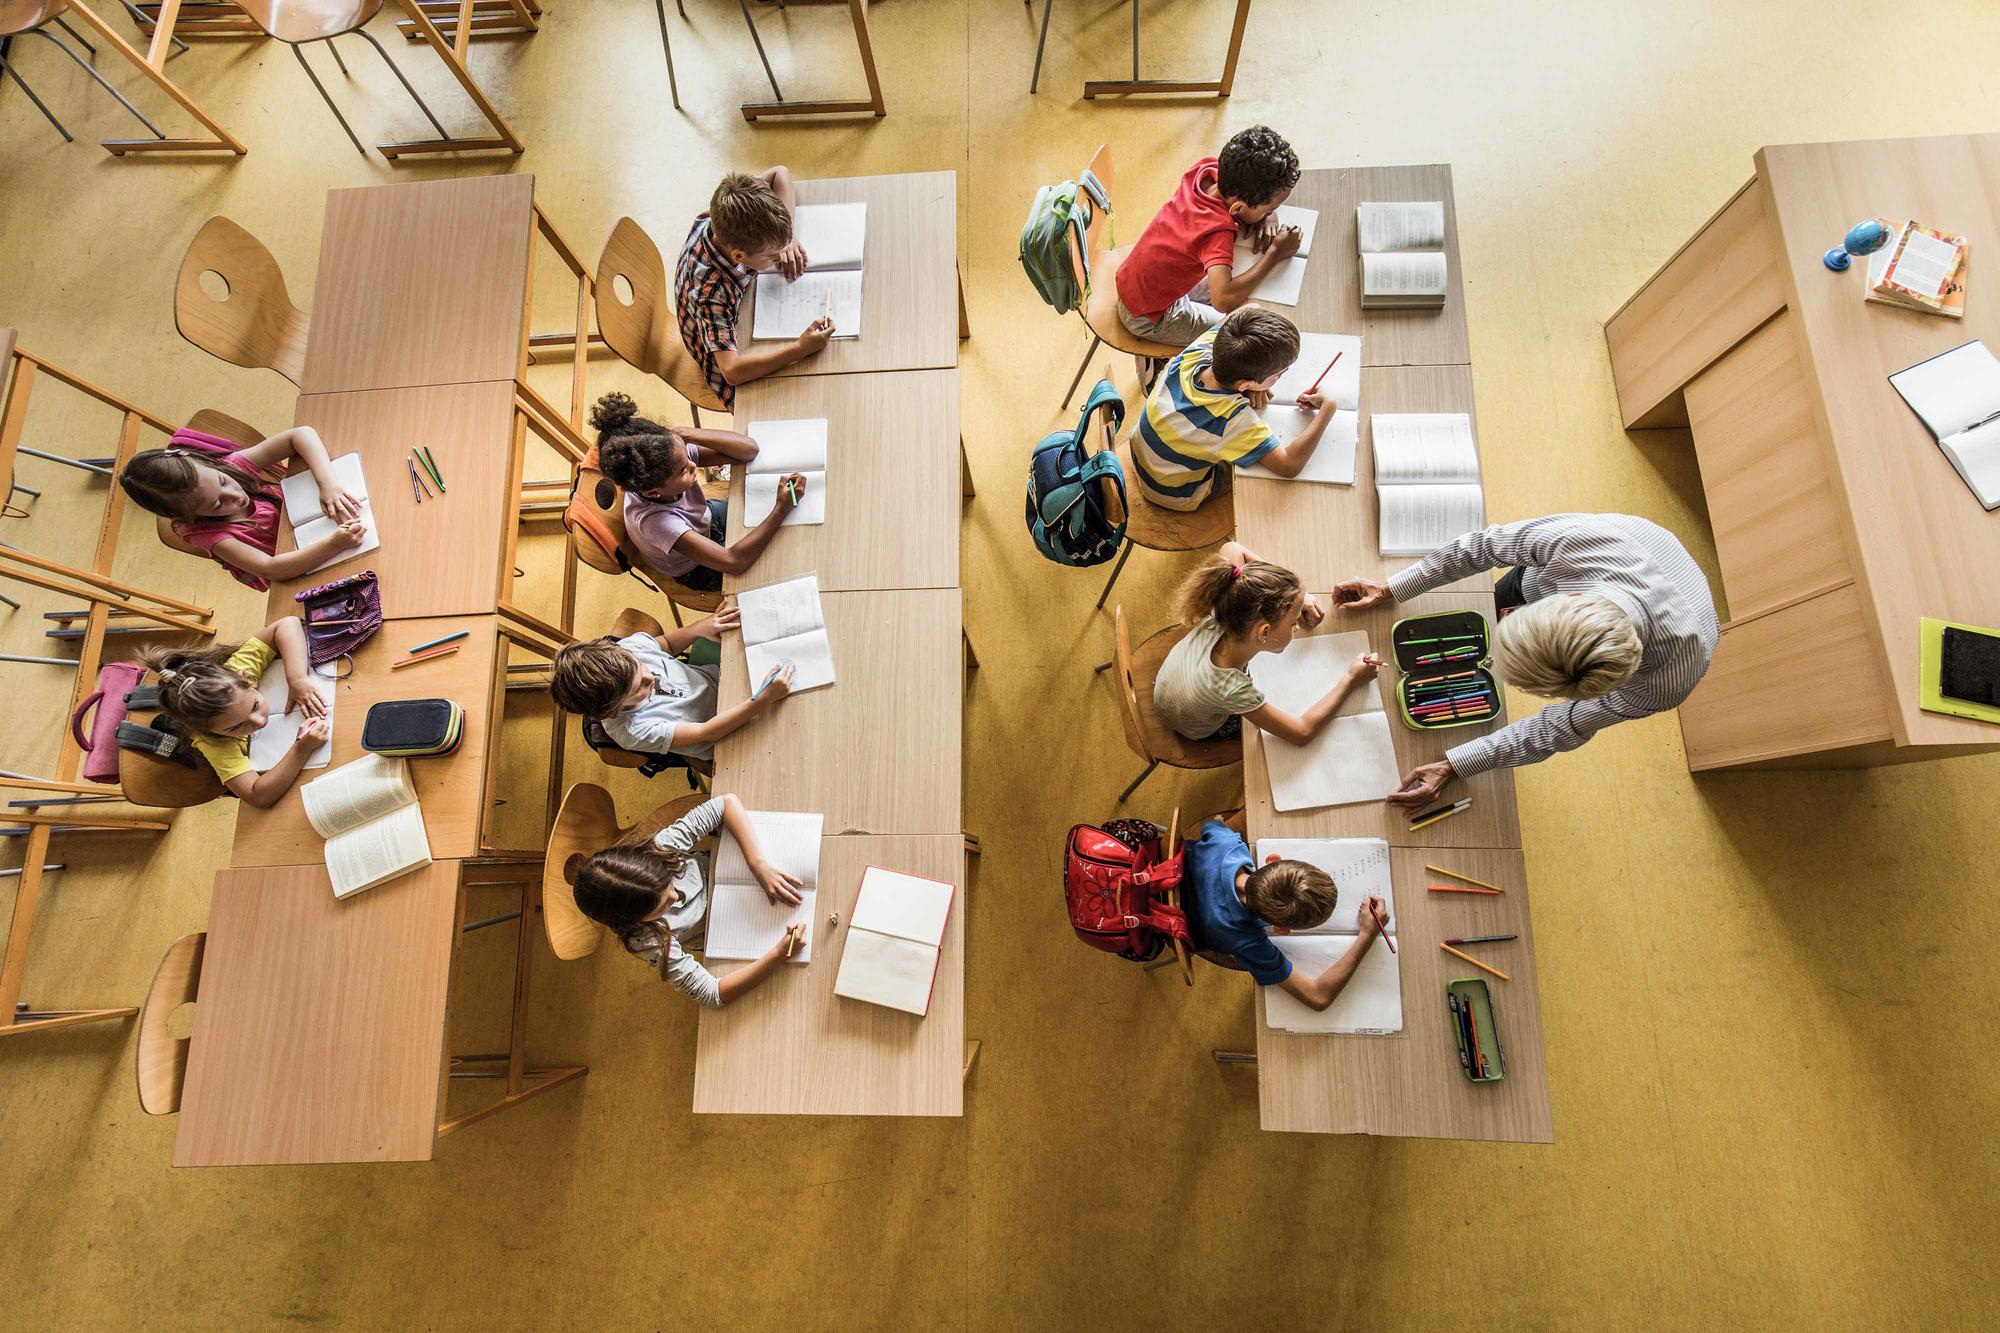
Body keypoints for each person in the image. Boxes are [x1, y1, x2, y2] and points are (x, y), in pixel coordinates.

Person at [1331, 512, 1721, 805]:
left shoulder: (1667, 681)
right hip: (1620, 548)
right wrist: (1393, 587)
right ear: (1564, 597)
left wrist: (1457, 764)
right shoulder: (1583, 543)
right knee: (1500, 594)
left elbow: (1563, 725)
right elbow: (1484, 546)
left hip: (1667, 608)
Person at [571, 792, 804, 1007]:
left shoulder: (660, 849)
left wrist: (758, 864)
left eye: (668, 884)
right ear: (634, 920)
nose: (676, 896)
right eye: (663, 906)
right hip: (727, 932)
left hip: (735, 872)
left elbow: (725, 804)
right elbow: (712, 993)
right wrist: (778, 955)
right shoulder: (647, 941)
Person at [1155, 541, 1380, 742]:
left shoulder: (1226, 604)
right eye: (1293, 622)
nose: (1297, 626)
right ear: (1263, 632)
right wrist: (1351, 679)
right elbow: (1301, 732)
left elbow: (1232, 548)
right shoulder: (1232, 689)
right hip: (1192, 725)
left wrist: (1292, 597)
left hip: (1167, 688)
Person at [1115, 124, 1303, 351]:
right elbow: (1223, 300)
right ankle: (1157, 362)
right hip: (1148, 317)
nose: (1270, 213)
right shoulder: (1216, 233)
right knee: (1239, 337)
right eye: (1268, 209)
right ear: (1238, 208)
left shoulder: (1207, 169)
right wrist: (1275, 253)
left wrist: (1265, 215)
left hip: (1136, 280)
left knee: (1245, 294)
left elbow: (1235, 205)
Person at [590, 392, 802, 592]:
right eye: (684, 470)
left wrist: (685, 434)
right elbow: (734, 562)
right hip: (695, 569)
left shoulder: (670, 459)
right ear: (655, 492)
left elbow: (749, 450)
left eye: (686, 456)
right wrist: (780, 510)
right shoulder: (658, 523)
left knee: (784, 531)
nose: (694, 466)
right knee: (778, 567)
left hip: (704, 519)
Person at [1132, 306, 1337, 512]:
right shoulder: (1232, 419)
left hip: (1143, 458)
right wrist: (1328, 409)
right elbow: (1288, 465)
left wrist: (1251, 387)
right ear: (1245, 384)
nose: (1278, 380)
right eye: (1277, 376)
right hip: (1174, 492)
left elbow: (1251, 307)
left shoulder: (1199, 351)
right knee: (1252, 474)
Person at [118, 424, 365, 591]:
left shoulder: (230, 466)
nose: (234, 495)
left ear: (208, 465)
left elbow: (300, 435)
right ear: (191, 517)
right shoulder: (209, 535)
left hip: (310, 522)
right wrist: (334, 544)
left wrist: (327, 483)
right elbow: (271, 568)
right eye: (218, 504)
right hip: (300, 567)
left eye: (223, 482)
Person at [1181, 818, 1387, 1008]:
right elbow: (1318, 997)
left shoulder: (1228, 845)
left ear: (1272, 859)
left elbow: (1211, 825)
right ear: (1280, 929)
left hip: (1158, 871)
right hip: (1177, 928)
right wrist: (1367, 937)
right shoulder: (1247, 942)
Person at [548, 605, 791, 766]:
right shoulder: (631, 731)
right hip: (728, 735)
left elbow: (665, 643)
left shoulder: (630, 649)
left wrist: (700, 628)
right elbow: (708, 732)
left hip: (725, 686)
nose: (650, 678)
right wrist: (764, 698)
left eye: (641, 668)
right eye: (639, 689)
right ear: (613, 710)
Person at [674, 166, 832, 411]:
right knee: (810, 404)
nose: (779, 258)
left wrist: (787, 239)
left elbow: (781, 174)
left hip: (735, 316)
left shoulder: (725, 216)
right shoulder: (712, 295)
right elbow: (732, 371)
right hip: (726, 361)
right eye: (771, 256)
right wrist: (799, 349)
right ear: (739, 255)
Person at [140, 618, 328, 808]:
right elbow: (258, 796)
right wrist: (301, 748)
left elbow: (287, 624)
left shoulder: (236, 672)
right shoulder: (212, 743)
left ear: (243, 678)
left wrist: (296, 678)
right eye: (236, 727)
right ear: (210, 732)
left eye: (254, 705)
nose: (259, 721)